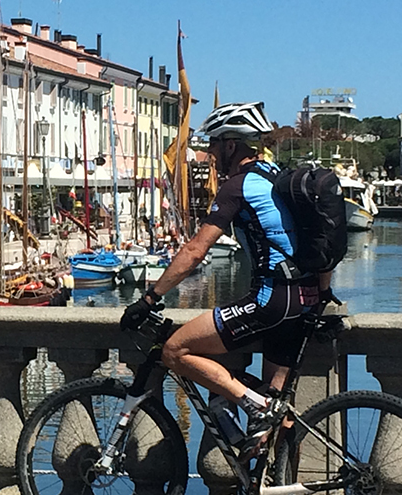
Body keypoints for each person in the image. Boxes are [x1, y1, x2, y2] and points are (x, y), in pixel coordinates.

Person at [120, 102, 328, 454]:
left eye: (214, 145)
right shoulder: (277, 176)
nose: (211, 154)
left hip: (272, 299)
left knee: (174, 348)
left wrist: (150, 299)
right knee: (277, 411)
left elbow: (195, 252)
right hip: (304, 299)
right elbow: (319, 234)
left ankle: (253, 404)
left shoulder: (237, 186)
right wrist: (323, 295)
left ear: (231, 145)